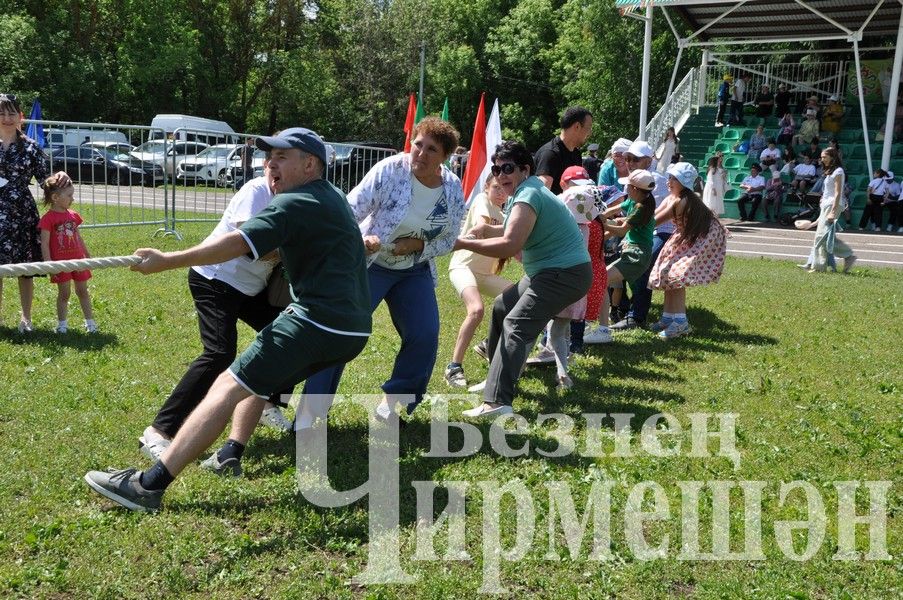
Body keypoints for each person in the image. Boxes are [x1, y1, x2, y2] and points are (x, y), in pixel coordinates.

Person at [83, 127, 373, 512]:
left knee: (225, 386)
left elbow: (239, 243)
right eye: (269, 156)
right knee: (259, 376)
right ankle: (229, 451)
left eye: (282, 156)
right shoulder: (331, 196)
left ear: (310, 164)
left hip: (317, 321)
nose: (271, 163)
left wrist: (168, 260)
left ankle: (147, 486)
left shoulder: (295, 202)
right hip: (353, 331)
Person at [301, 117, 465, 422]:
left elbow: (449, 238)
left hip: (413, 271)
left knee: (424, 333)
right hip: (370, 264)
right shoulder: (390, 170)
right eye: (418, 144)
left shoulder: (452, 188)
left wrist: (418, 247)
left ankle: (392, 405)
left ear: (445, 157)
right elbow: (349, 210)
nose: (421, 153)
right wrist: (361, 239)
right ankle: (311, 413)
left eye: (432, 149)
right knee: (341, 334)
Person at [137, 158, 296, 473]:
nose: (275, 168)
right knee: (220, 352)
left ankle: (267, 403)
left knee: (291, 335)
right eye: (271, 162)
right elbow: (249, 245)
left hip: (251, 290)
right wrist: (296, 248)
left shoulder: (295, 201)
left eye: (284, 160)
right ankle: (157, 432)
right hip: (215, 280)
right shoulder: (256, 191)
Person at [455, 141, 591, 418]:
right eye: (496, 169)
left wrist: (462, 243)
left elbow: (509, 244)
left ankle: (497, 401)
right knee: (503, 306)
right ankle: (497, 377)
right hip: (551, 272)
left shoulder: (528, 193)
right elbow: (511, 226)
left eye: (508, 168)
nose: (501, 175)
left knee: (516, 324)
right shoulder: (527, 191)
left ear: (525, 169)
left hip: (563, 273)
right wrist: (483, 229)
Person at [648, 163, 729, 339]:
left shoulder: (681, 201)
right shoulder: (672, 197)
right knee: (667, 272)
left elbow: (652, 222)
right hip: (688, 235)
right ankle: (668, 318)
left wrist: (628, 225)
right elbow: (652, 215)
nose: (669, 181)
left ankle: (681, 323)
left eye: (674, 179)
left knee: (677, 276)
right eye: (669, 177)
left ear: (684, 182)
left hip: (703, 237)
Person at [445, 173, 511, 388]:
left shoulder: (505, 214)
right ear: (486, 187)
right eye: (496, 187)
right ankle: (454, 367)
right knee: (476, 310)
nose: (500, 192)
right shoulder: (482, 200)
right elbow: (482, 224)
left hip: (485, 275)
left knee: (520, 298)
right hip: (463, 267)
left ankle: (488, 345)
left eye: (504, 187)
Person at [0, 93, 56, 333]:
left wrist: (58, 178)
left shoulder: (31, 147)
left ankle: (26, 318)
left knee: (25, 269)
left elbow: (46, 179)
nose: (7, 118)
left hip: (21, 212)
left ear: (20, 117)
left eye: (12, 112)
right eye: (2, 113)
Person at [607, 140, 672, 332]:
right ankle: (620, 307)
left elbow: (654, 215)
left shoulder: (655, 181)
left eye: (634, 159)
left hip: (660, 231)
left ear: (648, 160)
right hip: (639, 228)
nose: (629, 162)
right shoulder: (635, 179)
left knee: (644, 264)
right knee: (613, 257)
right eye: (627, 158)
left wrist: (629, 227)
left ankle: (636, 315)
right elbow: (627, 209)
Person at [598, 170, 658, 338]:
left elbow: (621, 230)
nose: (625, 189)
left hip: (636, 255)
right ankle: (604, 320)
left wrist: (602, 224)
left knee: (601, 278)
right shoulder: (634, 200)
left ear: (635, 188)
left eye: (627, 186)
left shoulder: (641, 208)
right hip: (630, 251)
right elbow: (616, 208)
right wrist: (602, 215)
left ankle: (600, 326)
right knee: (608, 281)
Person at [37, 173, 97, 334]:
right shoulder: (47, 219)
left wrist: (87, 255)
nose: (73, 199)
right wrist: (49, 263)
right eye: (69, 195)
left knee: (83, 291)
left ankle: (90, 322)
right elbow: (44, 243)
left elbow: (78, 236)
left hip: (78, 260)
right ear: (56, 197)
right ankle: (62, 324)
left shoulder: (73, 215)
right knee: (64, 293)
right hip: (60, 264)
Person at [809, 147, 855, 273]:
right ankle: (846, 257)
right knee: (824, 236)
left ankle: (821, 266)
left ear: (832, 157)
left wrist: (833, 211)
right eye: (822, 157)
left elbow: (838, 192)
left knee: (821, 236)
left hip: (833, 205)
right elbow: (828, 191)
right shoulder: (830, 171)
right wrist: (822, 200)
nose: (822, 159)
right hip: (827, 204)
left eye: (824, 157)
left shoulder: (839, 171)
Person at [534, 106, 593, 194]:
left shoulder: (576, 153)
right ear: (577, 126)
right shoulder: (550, 154)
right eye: (588, 128)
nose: (590, 133)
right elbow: (541, 195)